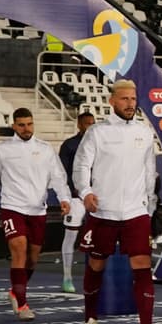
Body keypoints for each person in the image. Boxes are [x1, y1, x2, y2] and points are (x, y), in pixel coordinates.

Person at [73, 80, 162, 324]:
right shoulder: (97, 132)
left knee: (142, 266)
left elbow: (150, 173)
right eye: (125, 99)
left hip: (136, 213)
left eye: (133, 99)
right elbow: (81, 166)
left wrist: (149, 208)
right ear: (112, 101)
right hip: (102, 211)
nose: (131, 104)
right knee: (96, 265)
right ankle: (90, 319)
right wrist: (85, 192)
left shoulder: (144, 132)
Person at [0, 108, 72, 321]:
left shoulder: (45, 149)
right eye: (21, 125)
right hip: (12, 207)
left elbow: (58, 177)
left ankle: (16, 291)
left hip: (38, 209)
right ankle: (21, 301)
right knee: (19, 248)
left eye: (29, 124)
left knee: (33, 258)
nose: (26, 128)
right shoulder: (3, 150)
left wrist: (64, 198)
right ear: (14, 126)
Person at [58, 111, 95, 292]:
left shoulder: (99, 143)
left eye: (92, 123)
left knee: (99, 236)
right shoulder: (69, 145)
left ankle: (98, 277)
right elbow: (63, 173)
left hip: (95, 195)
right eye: (87, 123)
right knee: (71, 234)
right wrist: (68, 196)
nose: (90, 126)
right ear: (79, 125)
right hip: (75, 197)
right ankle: (67, 277)